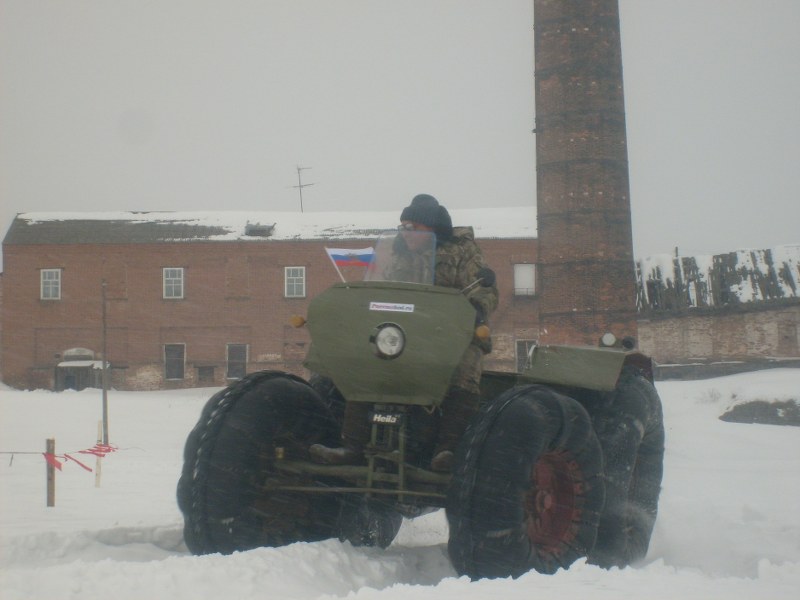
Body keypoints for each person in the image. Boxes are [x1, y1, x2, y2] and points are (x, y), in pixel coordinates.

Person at [309, 193, 498, 472]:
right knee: (363, 367)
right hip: (404, 333)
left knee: (464, 369)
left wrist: (478, 308)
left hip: (450, 331)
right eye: (403, 227)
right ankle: (353, 446)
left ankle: (447, 450)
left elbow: (484, 288)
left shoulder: (462, 250)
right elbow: (383, 285)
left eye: (413, 227)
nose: (406, 233)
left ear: (431, 228)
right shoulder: (397, 252)